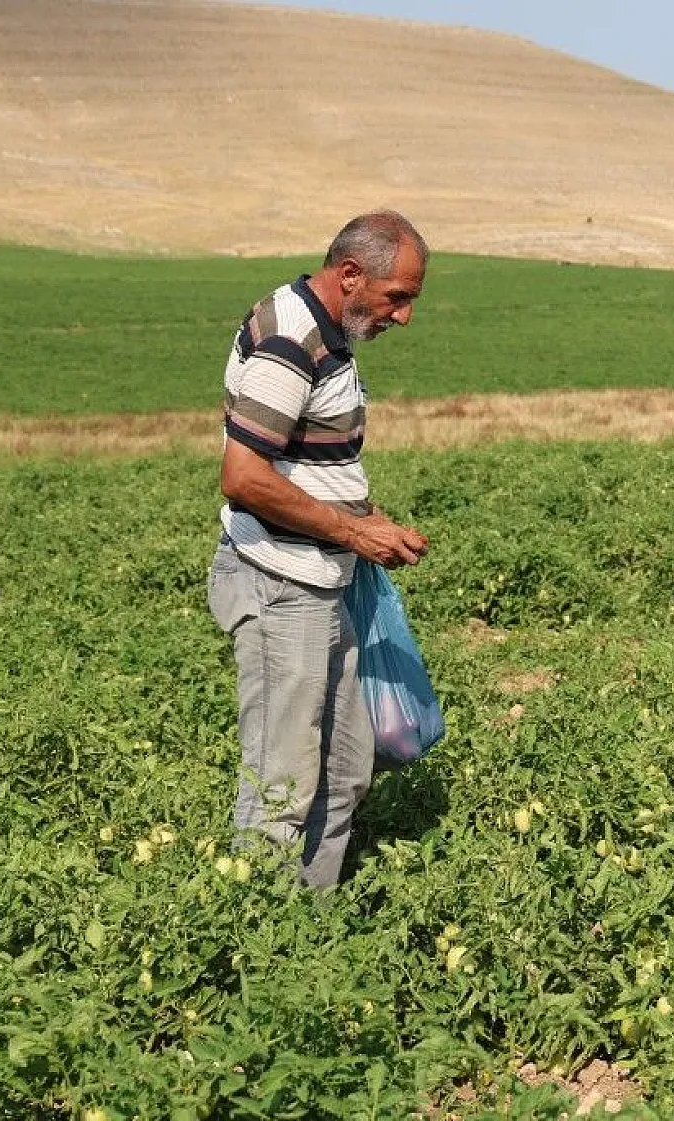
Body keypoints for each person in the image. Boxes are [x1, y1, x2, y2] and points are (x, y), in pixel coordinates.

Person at [206, 210, 431, 888]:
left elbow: (309, 464)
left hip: (323, 577)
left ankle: (311, 940)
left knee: (346, 768)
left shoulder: (333, 333)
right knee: (282, 787)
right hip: (281, 584)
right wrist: (353, 531)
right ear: (352, 275)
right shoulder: (289, 337)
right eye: (398, 297)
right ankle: (259, 955)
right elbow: (245, 477)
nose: (404, 315)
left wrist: (371, 520)